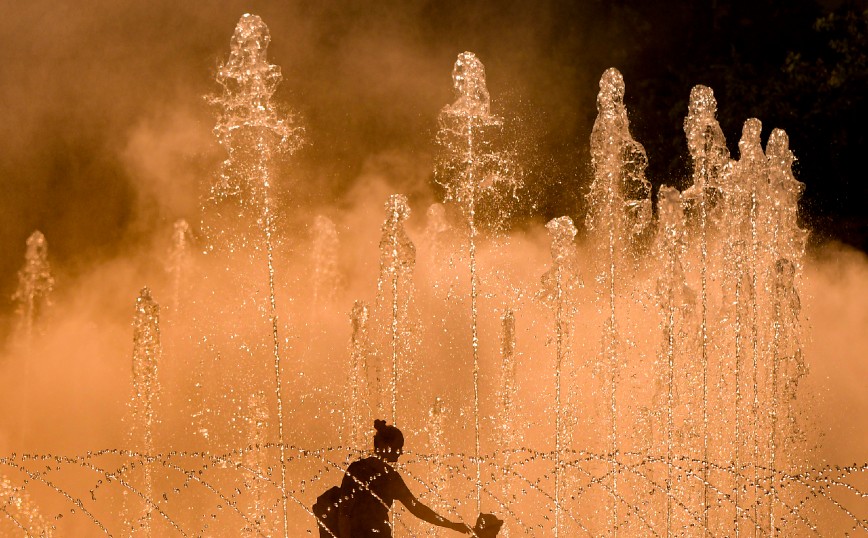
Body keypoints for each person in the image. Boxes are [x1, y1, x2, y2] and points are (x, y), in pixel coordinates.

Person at [337, 419, 471, 537]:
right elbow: (417, 509)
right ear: (384, 446)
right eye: (397, 448)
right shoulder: (386, 476)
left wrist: (451, 524)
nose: (400, 452)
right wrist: (451, 525)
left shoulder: (361, 469)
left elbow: (344, 512)